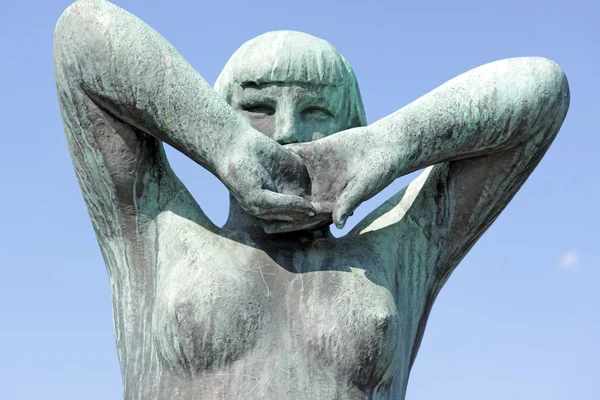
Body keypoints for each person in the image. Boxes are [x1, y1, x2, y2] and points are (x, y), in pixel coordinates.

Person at [53, 0, 570, 399]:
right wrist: (224, 143)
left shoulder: (397, 252)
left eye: (318, 111)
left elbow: (542, 90)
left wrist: (391, 143)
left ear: (353, 131)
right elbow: (81, 35)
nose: (286, 132)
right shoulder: (155, 229)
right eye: (255, 106)